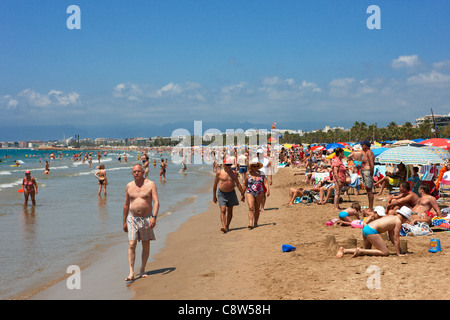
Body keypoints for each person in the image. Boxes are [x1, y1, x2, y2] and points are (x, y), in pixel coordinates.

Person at [123, 164, 160, 281]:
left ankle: (143, 269)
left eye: (138, 171)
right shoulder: (129, 186)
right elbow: (126, 204)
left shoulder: (150, 184)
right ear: (132, 173)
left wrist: (154, 217)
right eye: (134, 172)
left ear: (143, 172)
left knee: (145, 244)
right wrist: (124, 221)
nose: (136, 173)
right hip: (132, 218)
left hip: (146, 218)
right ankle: (131, 272)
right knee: (131, 244)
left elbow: (156, 202)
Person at [336, 206, 412, 258]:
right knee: (385, 252)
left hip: (366, 228)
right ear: (405, 219)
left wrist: (399, 250)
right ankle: (359, 250)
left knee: (366, 251)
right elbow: (396, 238)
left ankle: (344, 250)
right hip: (371, 230)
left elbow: (391, 236)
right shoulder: (398, 221)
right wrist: (398, 254)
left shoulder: (391, 217)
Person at [213, 158, 245, 233]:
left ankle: (227, 225)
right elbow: (215, 185)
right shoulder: (219, 173)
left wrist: (242, 194)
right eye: (227, 165)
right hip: (221, 193)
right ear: (224, 165)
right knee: (223, 209)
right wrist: (214, 196)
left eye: (230, 164)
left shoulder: (233, 173)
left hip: (231, 193)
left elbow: (238, 184)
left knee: (230, 210)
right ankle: (223, 226)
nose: (228, 166)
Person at [245, 159, 270, 229]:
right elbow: (245, 184)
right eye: (253, 166)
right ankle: (250, 223)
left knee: (257, 208)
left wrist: (268, 190)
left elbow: (265, 182)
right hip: (250, 191)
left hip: (259, 192)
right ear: (251, 167)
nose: (255, 168)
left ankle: (255, 222)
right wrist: (242, 194)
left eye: (256, 166)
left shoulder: (261, 173)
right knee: (251, 207)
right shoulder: (248, 174)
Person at [360, 141, 375, 212]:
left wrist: (371, 175)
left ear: (366, 146)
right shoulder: (366, 153)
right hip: (365, 172)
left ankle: (371, 207)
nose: (361, 146)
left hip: (367, 172)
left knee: (369, 190)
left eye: (362, 145)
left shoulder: (369, 153)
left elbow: (371, 164)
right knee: (368, 190)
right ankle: (370, 206)